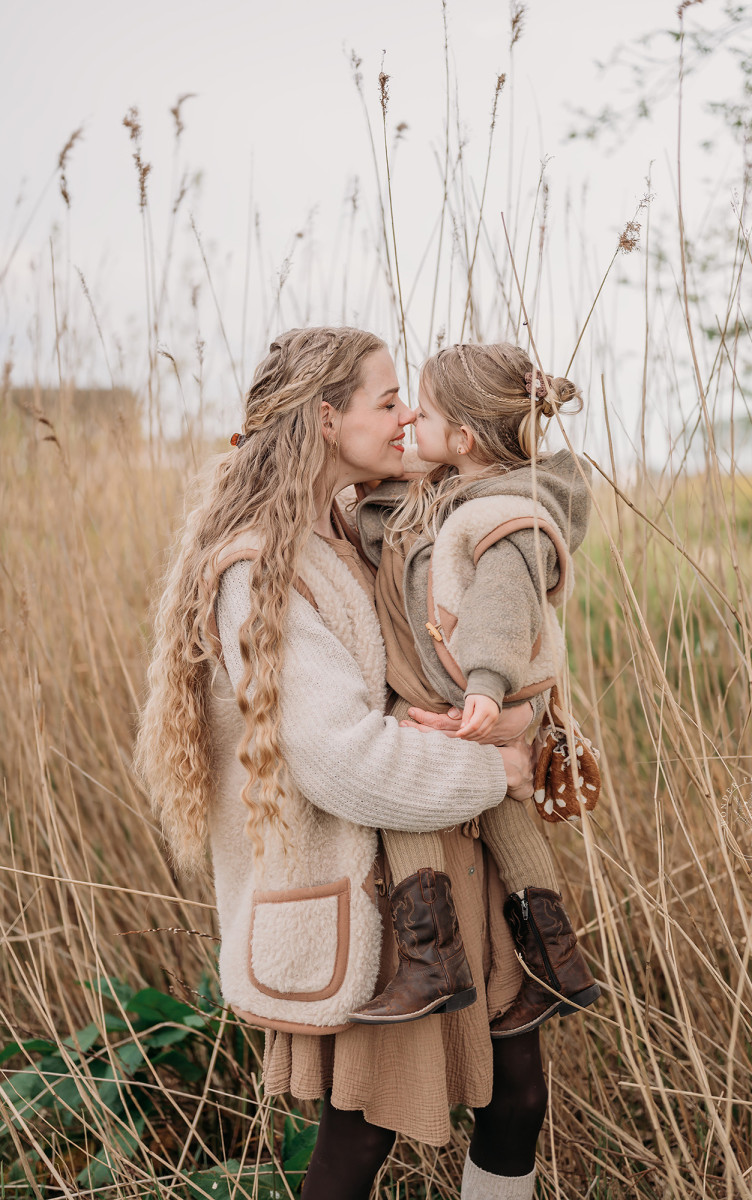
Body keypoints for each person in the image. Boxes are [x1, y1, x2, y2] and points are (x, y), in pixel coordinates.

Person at [134, 327, 554, 1200]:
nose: (407, 419)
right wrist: (497, 773)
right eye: (388, 400)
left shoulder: (360, 530)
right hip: (378, 906)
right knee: (358, 1142)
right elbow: (341, 761)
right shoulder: (261, 572)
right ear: (328, 421)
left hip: (447, 870)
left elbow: (508, 510)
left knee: (518, 1097)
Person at [347, 341, 601, 1040]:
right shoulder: (462, 493)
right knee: (502, 807)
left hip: (466, 691)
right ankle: (559, 965)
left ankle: (433, 962)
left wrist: (486, 687)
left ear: (460, 439)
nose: (409, 423)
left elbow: (499, 602)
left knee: (404, 795)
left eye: (420, 414)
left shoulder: (500, 515)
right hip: (467, 693)